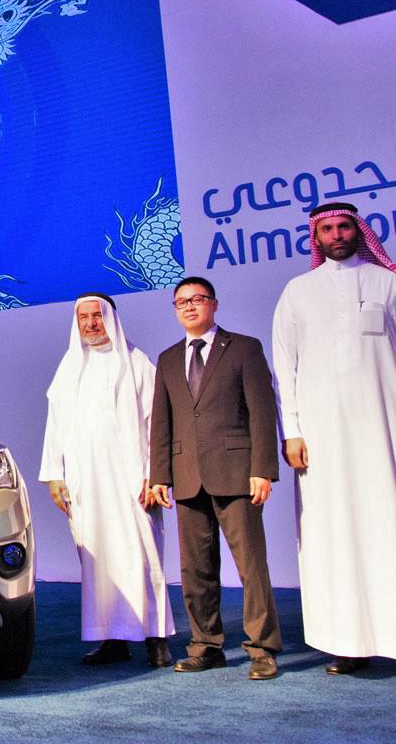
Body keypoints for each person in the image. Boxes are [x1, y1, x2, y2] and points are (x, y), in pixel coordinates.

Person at [272, 202, 396, 684]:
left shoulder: (391, 284)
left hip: (390, 435)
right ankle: (347, 644)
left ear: (358, 231)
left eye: (344, 226)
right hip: (321, 443)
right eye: (327, 228)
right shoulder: (298, 291)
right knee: (334, 540)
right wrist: (293, 431)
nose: (336, 234)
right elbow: (285, 369)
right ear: (316, 237)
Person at [149, 276, 282, 680]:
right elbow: (162, 422)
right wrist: (159, 476)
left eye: (198, 299)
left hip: (237, 474)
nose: (190, 307)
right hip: (187, 476)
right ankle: (205, 646)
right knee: (195, 571)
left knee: (251, 567)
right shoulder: (168, 359)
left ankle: (262, 648)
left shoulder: (243, 348)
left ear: (214, 304)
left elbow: (262, 412)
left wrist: (263, 469)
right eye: (182, 302)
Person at [39, 293, 174, 667]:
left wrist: (154, 475)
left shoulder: (137, 363)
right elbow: (55, 427)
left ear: (111, 318)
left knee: (143, 556)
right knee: (98, 561)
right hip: (85, 482)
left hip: (132, 480)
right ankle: (113, 638)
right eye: (83, 317)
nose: (90, 324)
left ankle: (156, 637)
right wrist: (54, 475)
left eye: (97, 316)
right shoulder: (69, 367)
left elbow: (156, 425)